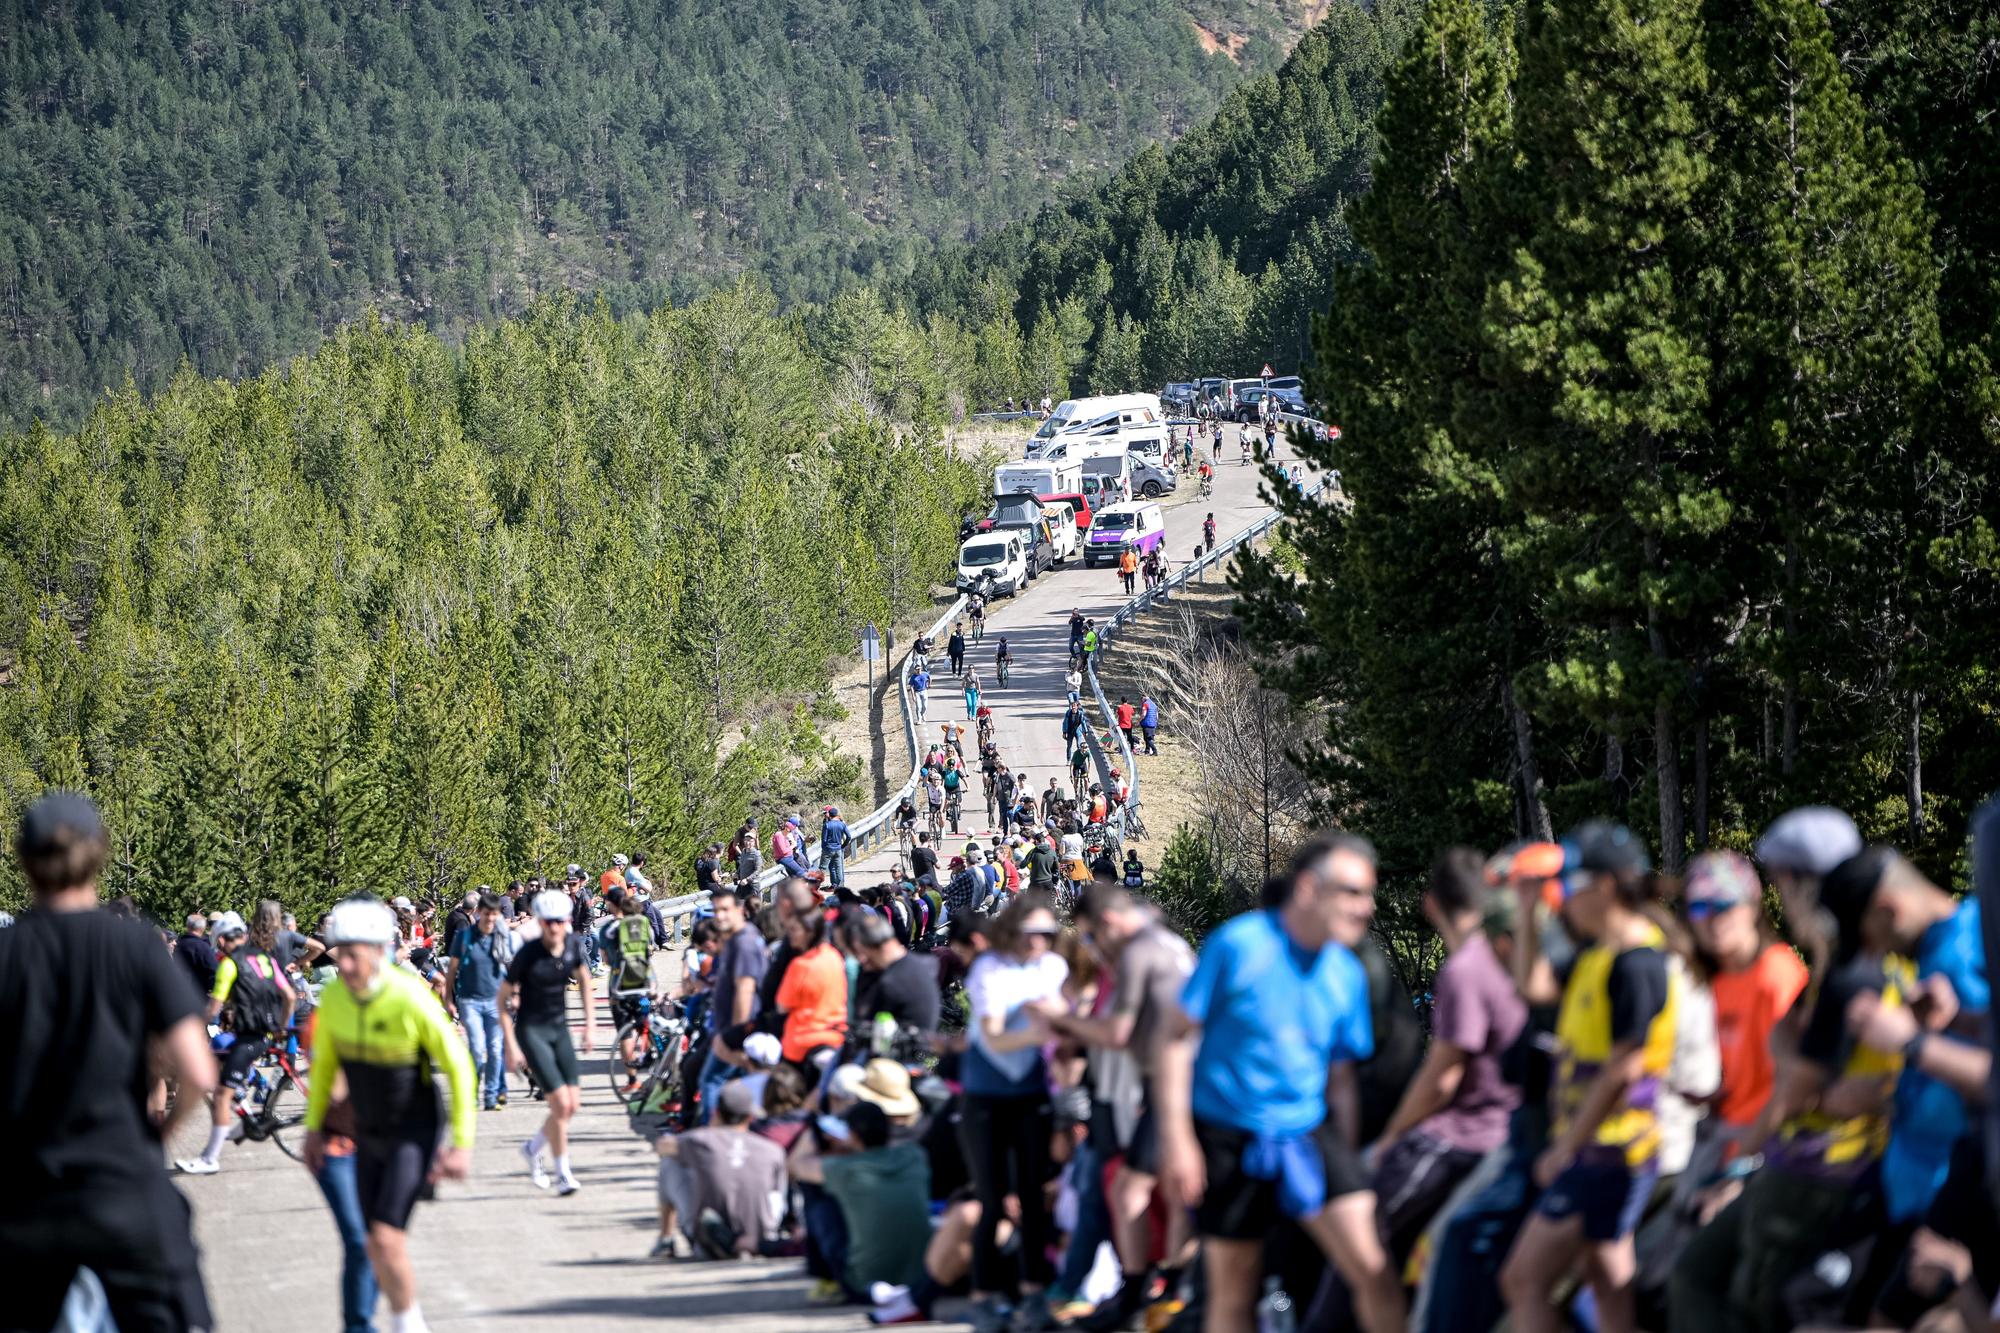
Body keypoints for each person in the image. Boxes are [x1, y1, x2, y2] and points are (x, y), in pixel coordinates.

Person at [1155, 831, 1406, 1333]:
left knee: (1375, 1273)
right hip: (1226, 1134)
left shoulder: (1347, 972)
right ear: (1310, 889)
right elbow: (1173, 1040)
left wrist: (1348, 1156)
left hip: (1308, 1134)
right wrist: (1178, 1141)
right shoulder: (1239, 944)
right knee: (1233, 1294)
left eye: (1369, 894)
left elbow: (1340, 1080)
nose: (1366, 907)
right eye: (1353, 893)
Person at [0, 791, 219, 1333]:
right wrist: (159, 1135)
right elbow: (198, 1070)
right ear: (99, 853)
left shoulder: (7, 955)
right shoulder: (135, 946)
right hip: (123, 1186)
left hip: (27, 1197)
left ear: (25, 861)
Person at [1500, 822, 1677, 1333]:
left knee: (1522, 1281)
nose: (1564, 899)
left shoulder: (1638, 961)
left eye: (1570, 886)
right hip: (1603, 1148)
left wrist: (1566, 1148)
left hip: (1610, 1150)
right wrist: (1530, 914)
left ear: (1604, 886)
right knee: (1608, 1288)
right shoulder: (1596, 953)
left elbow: (1626, 1065)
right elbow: (1533, 985)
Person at [304, 897, 477, 1333]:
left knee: (384, 1236)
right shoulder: (338, 999)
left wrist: (461, 1143)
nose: (342, 963)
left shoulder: (407, 995)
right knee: (370, 1241)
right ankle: (406, 1320)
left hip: (414, 1129)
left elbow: (458, 1066)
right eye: (337, 951)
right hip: (369, 1130)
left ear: (379, 951)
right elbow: (325, 1066)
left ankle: (407, 1324)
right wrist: (312, 1128)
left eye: (352, 953)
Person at [1366, 849, 1528, 1264]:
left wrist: (1391, 1136)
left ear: (1432, 905)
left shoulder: (1464, 970)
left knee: (1359, 1230)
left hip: (1467, 1135)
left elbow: (1442, 1079)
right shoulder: (1513, 955)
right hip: (1516, 1131)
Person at [1050, 883, 1197, 1331]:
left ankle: (1148, 1291)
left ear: (1109, 922)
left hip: (1171, 1084)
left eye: (1091, 935)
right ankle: (1164, 1288)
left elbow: (1117, 1032)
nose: (1092, 946)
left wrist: (1062, 1021)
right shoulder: (1169, 943)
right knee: (1170, 1189)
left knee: (1130, 1189)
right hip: (1178, 1081)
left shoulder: (1138, 951)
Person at [958, 892, 1070, 1330]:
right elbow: (994, 1037)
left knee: (1032, 1197)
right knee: (990, 1199)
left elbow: (1066, 1017)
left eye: (1047, 934)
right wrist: (1045, 1028)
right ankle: (984, 1296)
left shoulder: (1054, 968)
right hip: (985, 1097)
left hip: (1032, 1096)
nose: (1038, 942)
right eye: (1030, 934)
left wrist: (1056, 1020)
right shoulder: (990, 968)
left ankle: (1034, 1292)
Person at [178, 901, 296, 1175]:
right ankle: (246, 1117)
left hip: (248, 1037)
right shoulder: (265, 959)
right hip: (265, 1034)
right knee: (219, 1064)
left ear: (220, 940)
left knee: (220, 1095)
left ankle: (209, 1158)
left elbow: (214, 1008)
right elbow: (288, 996)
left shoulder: (230, 965)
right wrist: (279, 1027)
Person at [500, 889, 597, 1195]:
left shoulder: (572, 945)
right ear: (540, 923)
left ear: (566, 921)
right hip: (532, 1032)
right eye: (548, 922)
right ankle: (563, 1173)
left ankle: (532, 1148)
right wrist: (511, 1045)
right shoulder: (528, 954)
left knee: (572, 1105)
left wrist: (590, 1025)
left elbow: (584, 981)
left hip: (560, 1029)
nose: (554, 928)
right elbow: (501, 998)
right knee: (560, 1104)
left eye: (559, 921)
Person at [790, 1100, 933, 1303]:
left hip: (864, 1283)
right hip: (919, 1278)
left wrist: (811, 1132)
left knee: (815, 1195)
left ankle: (825, 1278)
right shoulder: (915, 1156)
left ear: (853, 1135)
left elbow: (797, 1166)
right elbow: (884, 1151)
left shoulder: (843, 1170)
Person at [654, 1080, 788, 1259]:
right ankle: (767, 1234)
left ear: (716, 1113)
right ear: (750, 1117)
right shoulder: (771, 1149)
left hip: (708, 1230)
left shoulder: (700, 1141)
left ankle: (666, 1237)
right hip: (761, 1234)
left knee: (670, 1161)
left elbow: (663, 1146)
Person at [445, 890, 516, 1111]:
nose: (490, 919)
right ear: (479, 913)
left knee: (495, 1049)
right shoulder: (465, 937)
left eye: (494, 914)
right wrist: (448, 999)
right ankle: (472, 1092)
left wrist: (516, 994)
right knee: (476, 1048)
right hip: (470, 1001)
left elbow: (512, 968)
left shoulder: (502, 937)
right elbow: (452, 970)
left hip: (496, 1002)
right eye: (486, 914)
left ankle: (492, 1095)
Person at [174, 912, 218, 997]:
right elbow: (214, 970)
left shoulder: (178, 944)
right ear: (203, 928)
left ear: (187, 926)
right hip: (200, 994)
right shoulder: (203, 947)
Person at [822, 807, 853, 888]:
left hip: (828, 849)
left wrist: (824, 848)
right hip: (838, 848)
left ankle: (817, 885)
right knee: (838, 867)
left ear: (830, 814)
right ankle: (839, 886)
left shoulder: (827, 825)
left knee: (823, 867)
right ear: (836, 814)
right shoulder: (842, 824)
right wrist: (843, 845)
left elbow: (824, 839)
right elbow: (849, 836)